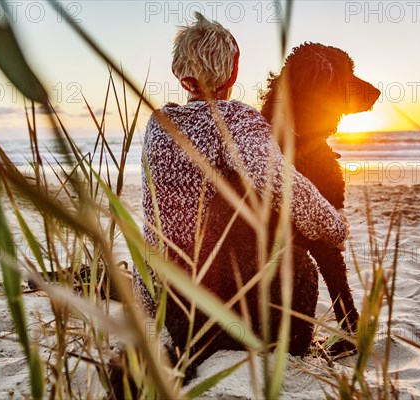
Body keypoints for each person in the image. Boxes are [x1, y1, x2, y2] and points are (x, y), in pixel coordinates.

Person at [132, 12, 349, 374]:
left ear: (178, 73)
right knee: (298, 265)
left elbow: (157, 219)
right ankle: (293, 354)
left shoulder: (158, 124)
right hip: (221, 311)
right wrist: (336, 227)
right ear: (233, 72)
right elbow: (286, 187)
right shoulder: (235, 119)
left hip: (171, 308)